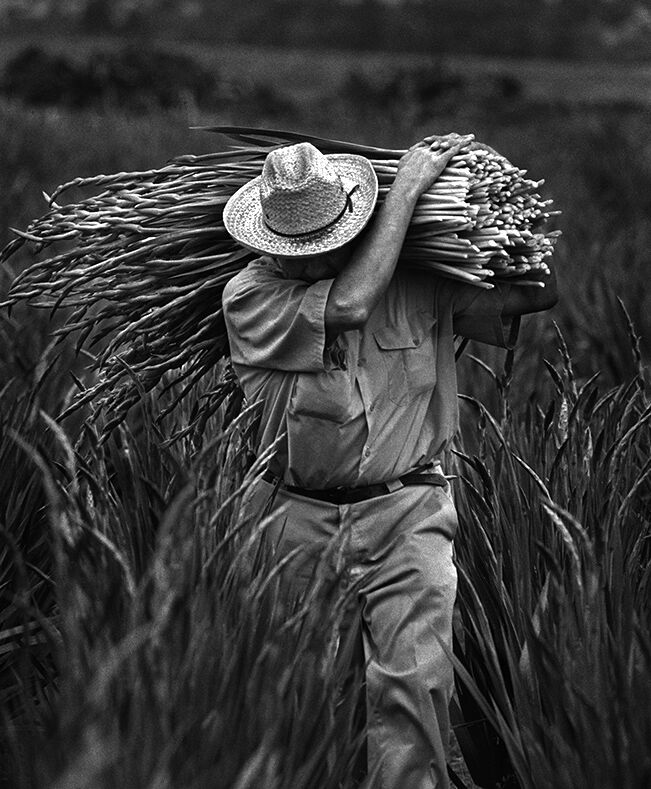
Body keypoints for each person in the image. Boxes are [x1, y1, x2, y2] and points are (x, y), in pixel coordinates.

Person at [221, 134, 557, 788]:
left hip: (407, 514)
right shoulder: (251, 295)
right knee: (299, 696)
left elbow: (529, 300)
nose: (307, 265)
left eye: (320, 246)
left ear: (350, 228)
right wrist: (405, 187)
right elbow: (346, 306)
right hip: (293, 520)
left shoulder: (419, 284)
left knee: (412, 690)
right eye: (292, 252)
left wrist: (519, 229)